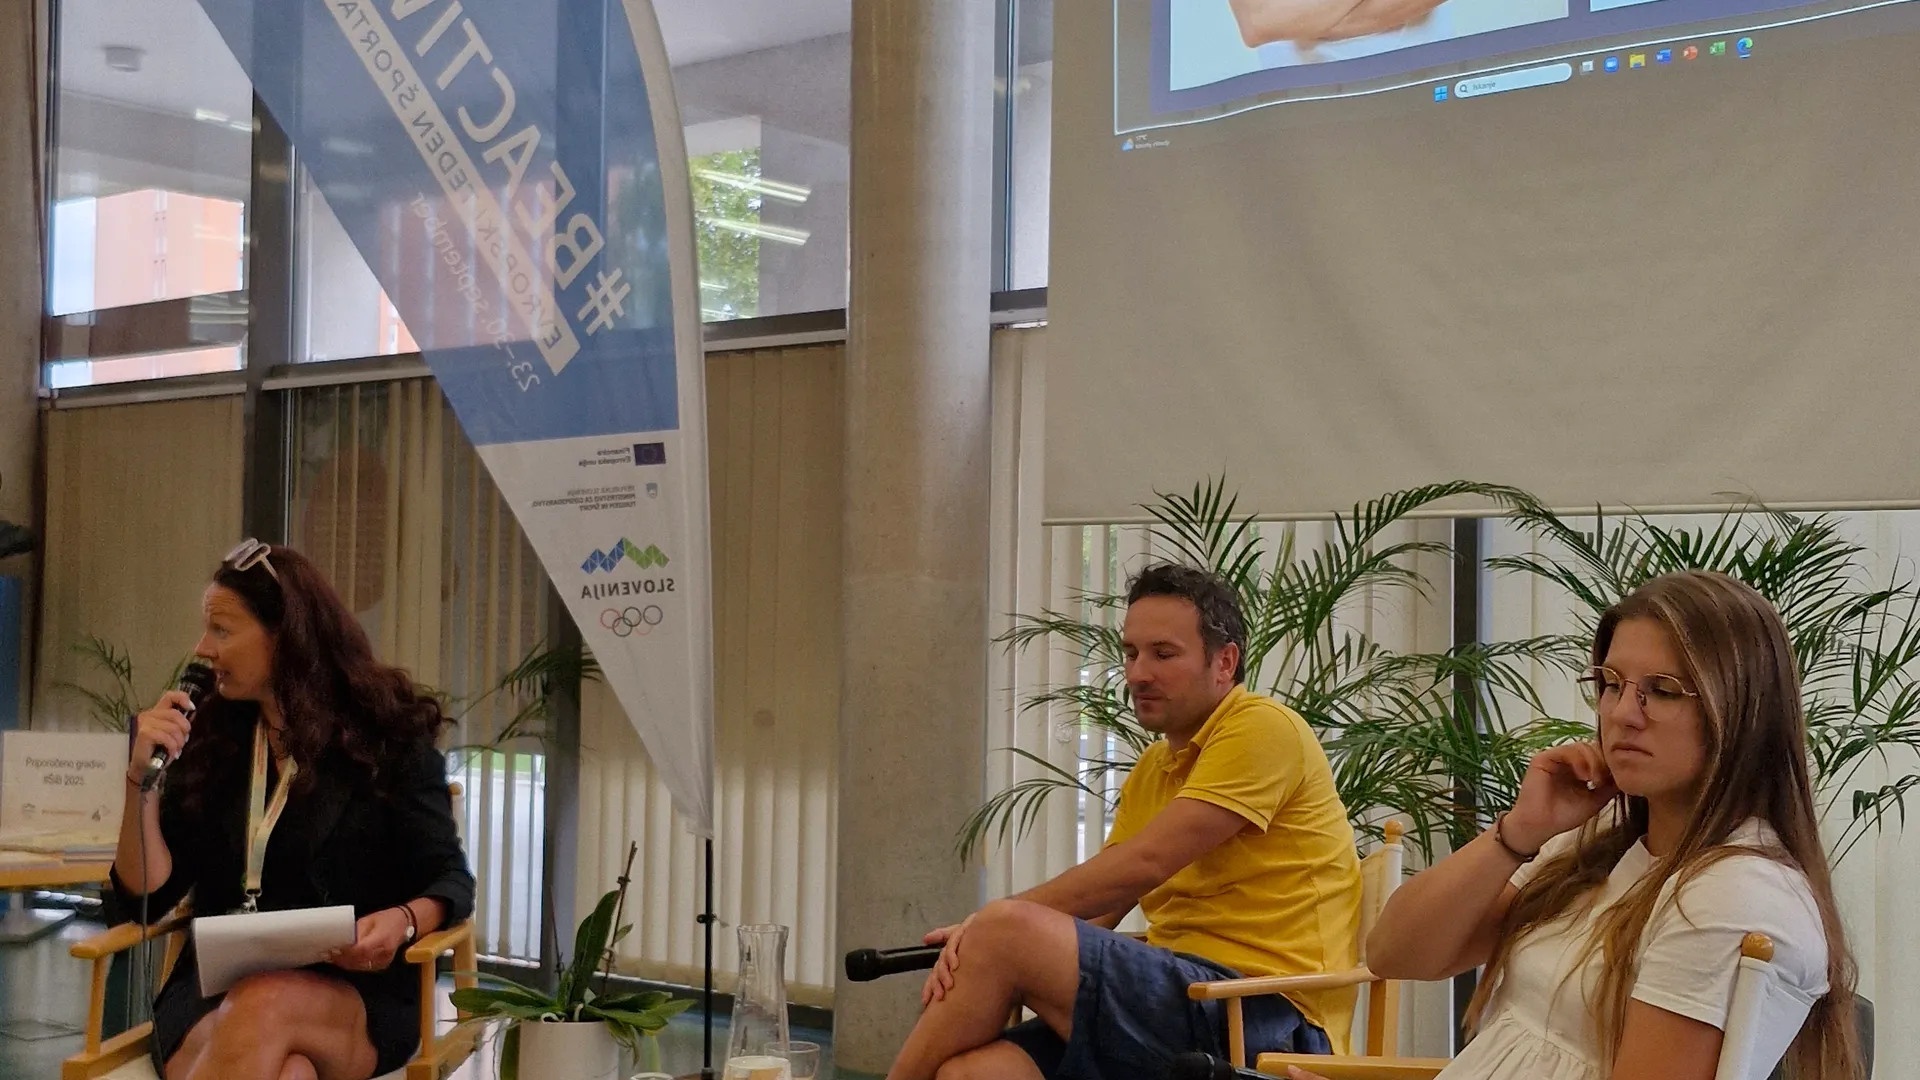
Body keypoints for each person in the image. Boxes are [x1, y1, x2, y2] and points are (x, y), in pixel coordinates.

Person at [1288, 571, 1859, 1080]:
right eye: (1611, 683)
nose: (1622, 713)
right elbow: (1396, 954)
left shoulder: (1733, 896)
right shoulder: (1601, 838)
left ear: (1742, 712)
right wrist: (1519, 833)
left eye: (1661, 691)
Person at [886, 564, 1363, 1080]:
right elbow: (1104, 908)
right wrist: (987, 956)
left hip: (1264, 1013)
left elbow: (1146, 863)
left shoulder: (1264, 727)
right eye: (1131, 653)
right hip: (1181, 996)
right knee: (974, 1073)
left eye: (1163, 654)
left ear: (1225, 662)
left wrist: (991, 931)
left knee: (1003, 928)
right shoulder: (1154, 767)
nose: (1137, 674)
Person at [111, 540, 475, 1080]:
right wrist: (140, 781)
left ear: (286, 635)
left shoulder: (387, 741)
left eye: (221, 630)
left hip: (355, 990)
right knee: (292, 1072)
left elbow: (450, 879)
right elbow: (145, 897)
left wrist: (402, 922)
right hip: (212, 990)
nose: (202, 649)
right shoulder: (211, 735)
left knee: (265, 1003)